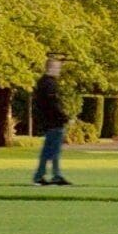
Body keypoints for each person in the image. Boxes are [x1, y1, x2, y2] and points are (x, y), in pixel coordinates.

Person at [30, 55, 74, 187]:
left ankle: (48, 175)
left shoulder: (43, 82)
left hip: (49, 121)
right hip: (54, 121)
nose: (59, 70)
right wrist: (65, 117)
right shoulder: (49, 84)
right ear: (51, 68)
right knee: (52, 150)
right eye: (57, 67)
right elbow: (53, 104)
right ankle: (46, 175)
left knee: (50, 150)